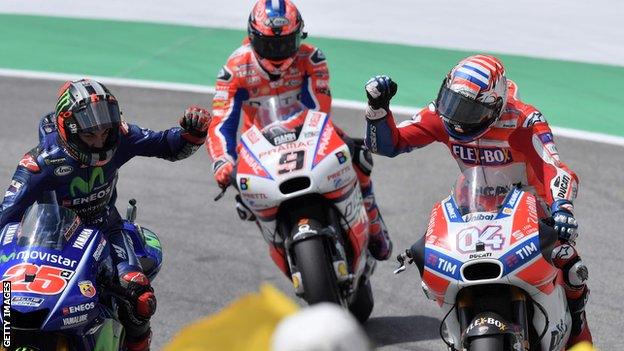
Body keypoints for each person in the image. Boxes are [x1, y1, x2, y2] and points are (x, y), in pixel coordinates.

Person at [363, 54, 591, 346]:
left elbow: (554, 166)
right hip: (472, 209)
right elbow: (388, 144)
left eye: (470, 110)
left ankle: (579, 332)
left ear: (495, 106)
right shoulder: (443, 115)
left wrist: (563, 208)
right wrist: (377, 109)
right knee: (427, 255)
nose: (458, 118)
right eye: (452, 102)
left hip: (530, 210)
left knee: (570, 267)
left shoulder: (524, 120)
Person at [0, 79, 211, 351]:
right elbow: (6, 215)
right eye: (90, 135)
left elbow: (169, 145)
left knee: (140, 297)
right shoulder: (40, 163)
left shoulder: (122, 136)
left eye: (105, 133)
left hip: (105, 229)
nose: (100, 141)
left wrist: (192, 133)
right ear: (69, 130)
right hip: (48, 238)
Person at [206, 0, 392, 260]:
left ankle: (373, 221)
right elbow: (221, 122)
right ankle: (281, 246)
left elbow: (320, 108)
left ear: (299, 35)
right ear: (252, 38)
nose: (278, 53)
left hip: (309, 132)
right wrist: (222, 161)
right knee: (244, 198)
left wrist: (316, 133)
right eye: (269, 45)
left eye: (285, 44)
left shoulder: (311, 58)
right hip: (259, 145)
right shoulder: (234, 70)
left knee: (358, 156)